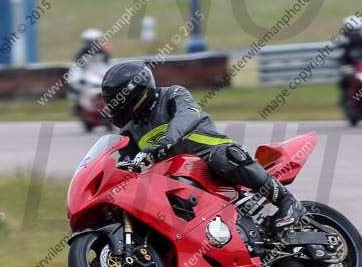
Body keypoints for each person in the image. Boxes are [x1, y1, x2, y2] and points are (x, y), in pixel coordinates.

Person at [100, 60, 305, 239]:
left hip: (211, 156)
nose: (115, 105)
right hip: (176, 178)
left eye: (117, 99)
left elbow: (188, 115)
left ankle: (287, 201)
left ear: (136, 93)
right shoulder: (129, 130)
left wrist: (166, 141)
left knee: (223, 157)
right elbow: (125, 161)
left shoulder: (173, 94)